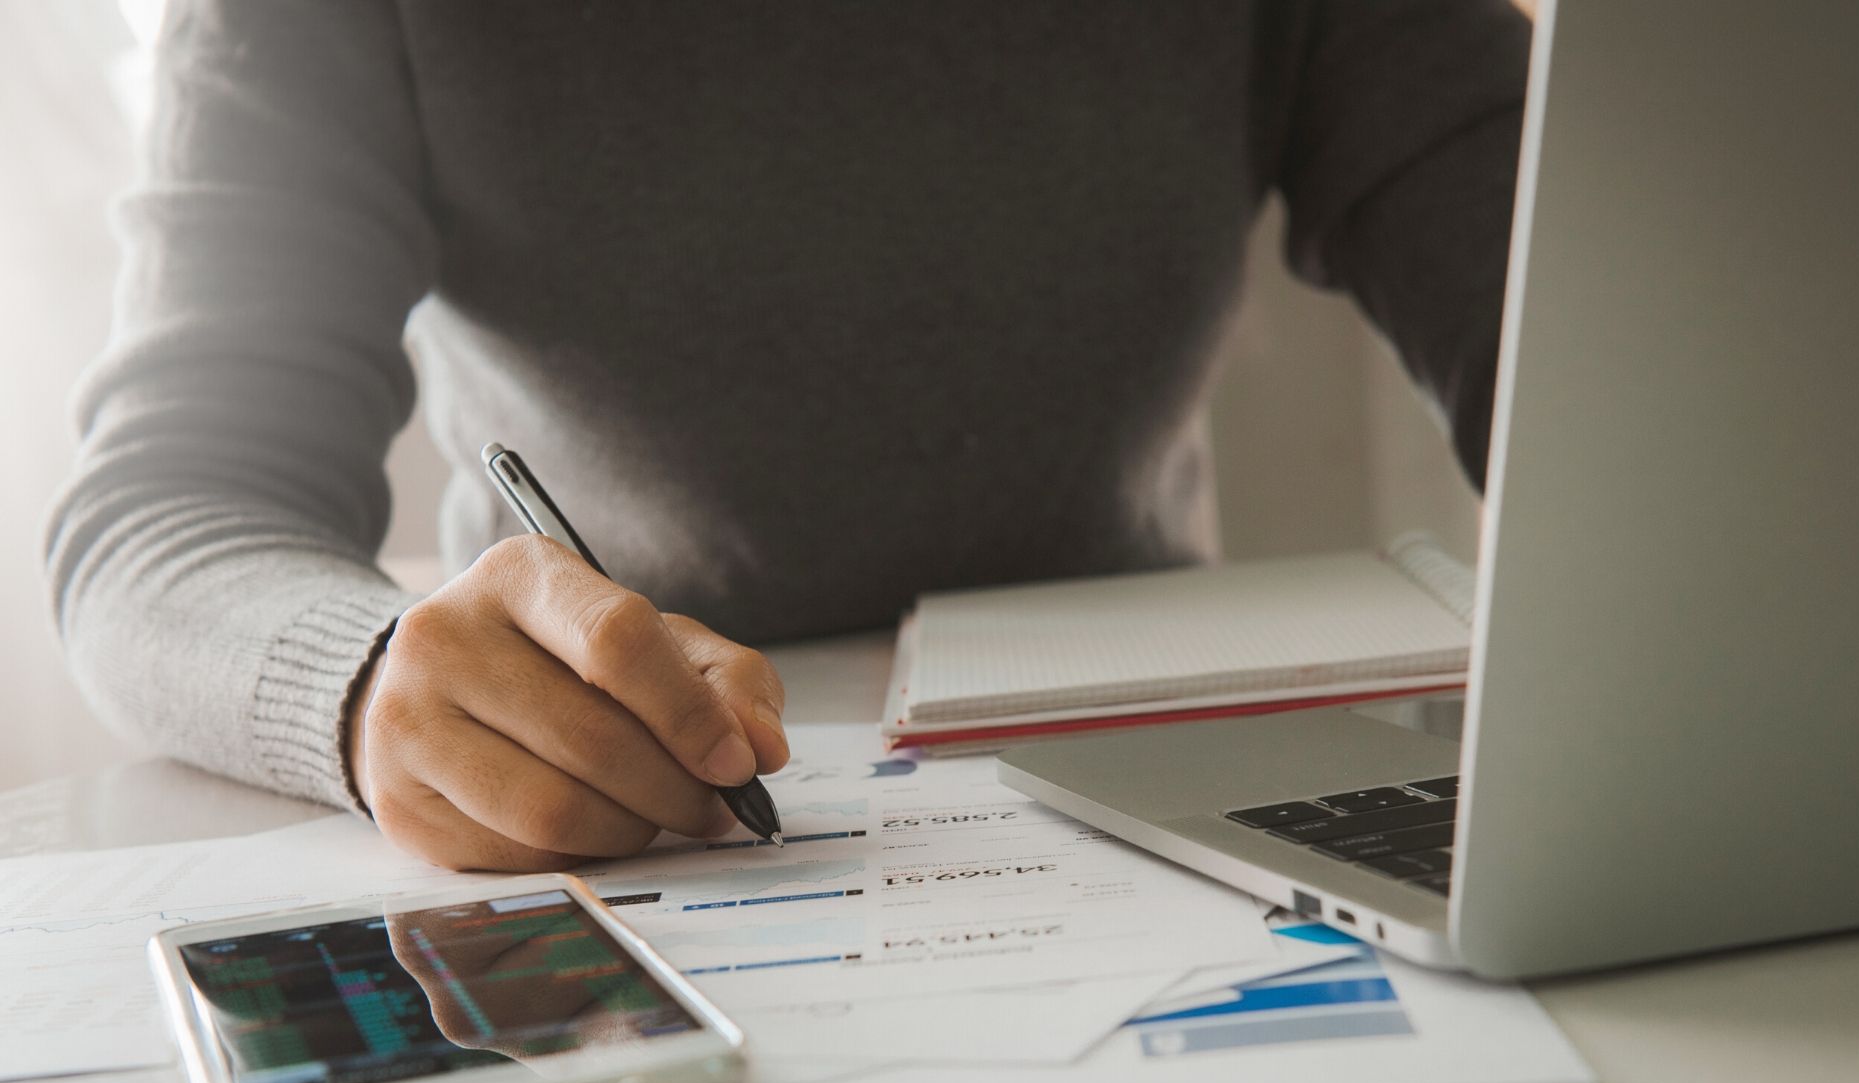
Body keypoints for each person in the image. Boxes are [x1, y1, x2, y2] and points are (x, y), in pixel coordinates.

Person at [45, 1, 1532, 873]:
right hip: (633, 824)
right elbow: (165, 513)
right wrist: (370, 684)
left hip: (1169, 781)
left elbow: (1579, 321)